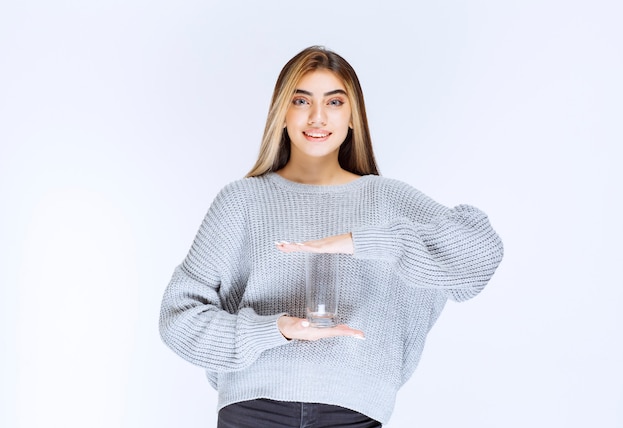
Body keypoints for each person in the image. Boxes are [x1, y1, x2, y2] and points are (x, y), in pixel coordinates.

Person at [159, 46, 503, 427]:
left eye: (335, 102)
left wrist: (365, 242)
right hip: (253, 408)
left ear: (354, 116)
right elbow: (179, 317)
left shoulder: (385, 200)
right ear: (282, 114)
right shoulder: (242, 201)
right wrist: (274, 330)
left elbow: (480, 254)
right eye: (301, 100)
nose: (318, 116)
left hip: (352, 410)